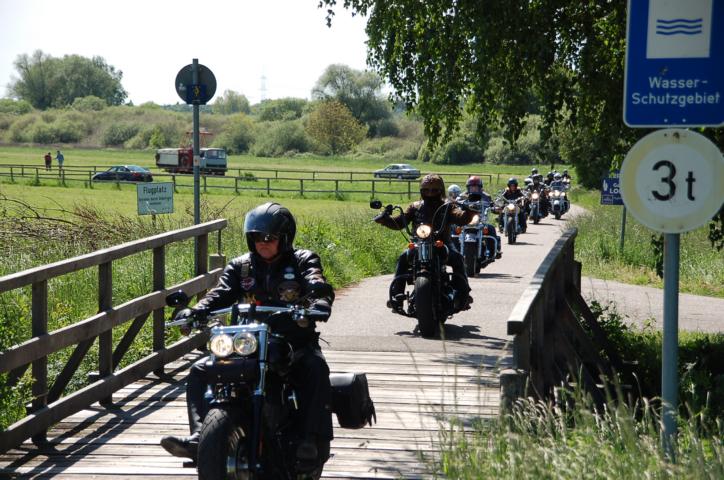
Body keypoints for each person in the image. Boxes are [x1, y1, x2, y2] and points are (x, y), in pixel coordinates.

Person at [160, 202, 335, 470]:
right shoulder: (241, 266)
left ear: (285, 238)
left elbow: (315, 280)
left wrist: (319, 300)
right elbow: (220, 293)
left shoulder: (302, 260)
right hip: (247, 341)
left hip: (292, 340)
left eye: (269, 237)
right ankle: (199, 437)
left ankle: (310, 438)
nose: (262, 242)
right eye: (256, 237)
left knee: (315, 368)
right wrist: (196, 310)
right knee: (200, 370)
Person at [374, 174, 475, 313]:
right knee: (403, 257)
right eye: (426, 190)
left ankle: (463, 295)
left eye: (434, 190)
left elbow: (460, 217)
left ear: (440, 190)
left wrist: (468, 212)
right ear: (421, 190)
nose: (430, 193)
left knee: (457, 258)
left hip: (442, 243)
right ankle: (397, 296)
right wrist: (385, 219)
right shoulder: (415, 206)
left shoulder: (448, 206)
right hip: (418, 243)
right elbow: (400, 222)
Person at [463, 175, 501, 258]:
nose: (474, 189)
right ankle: (451, 251)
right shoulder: (462, 196)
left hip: (481, 220)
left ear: (480, 188)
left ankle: (495, 250)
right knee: (454, 229)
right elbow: (456, 204)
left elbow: (492, 205)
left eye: (476, 187)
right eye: (472, 187)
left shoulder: (486, 196)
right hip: (465, 219)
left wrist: (495, 208)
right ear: (468, 187)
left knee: (490, 228)